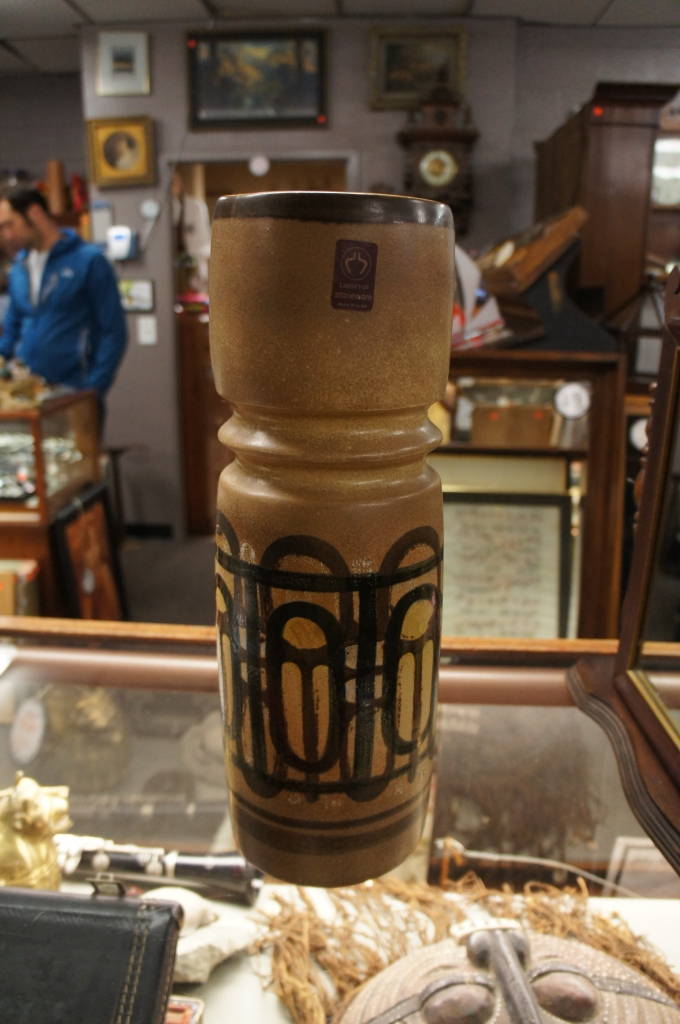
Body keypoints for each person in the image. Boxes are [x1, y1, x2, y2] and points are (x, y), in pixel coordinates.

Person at [0, 185, 127, 403]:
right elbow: (13, 325)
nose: (6, 235)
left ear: (34, 213)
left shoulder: (88, 261)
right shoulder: (20, 267)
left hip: (73, 391)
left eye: (9, 225)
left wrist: (93, 389)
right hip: (27, 391)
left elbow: (113, 332)